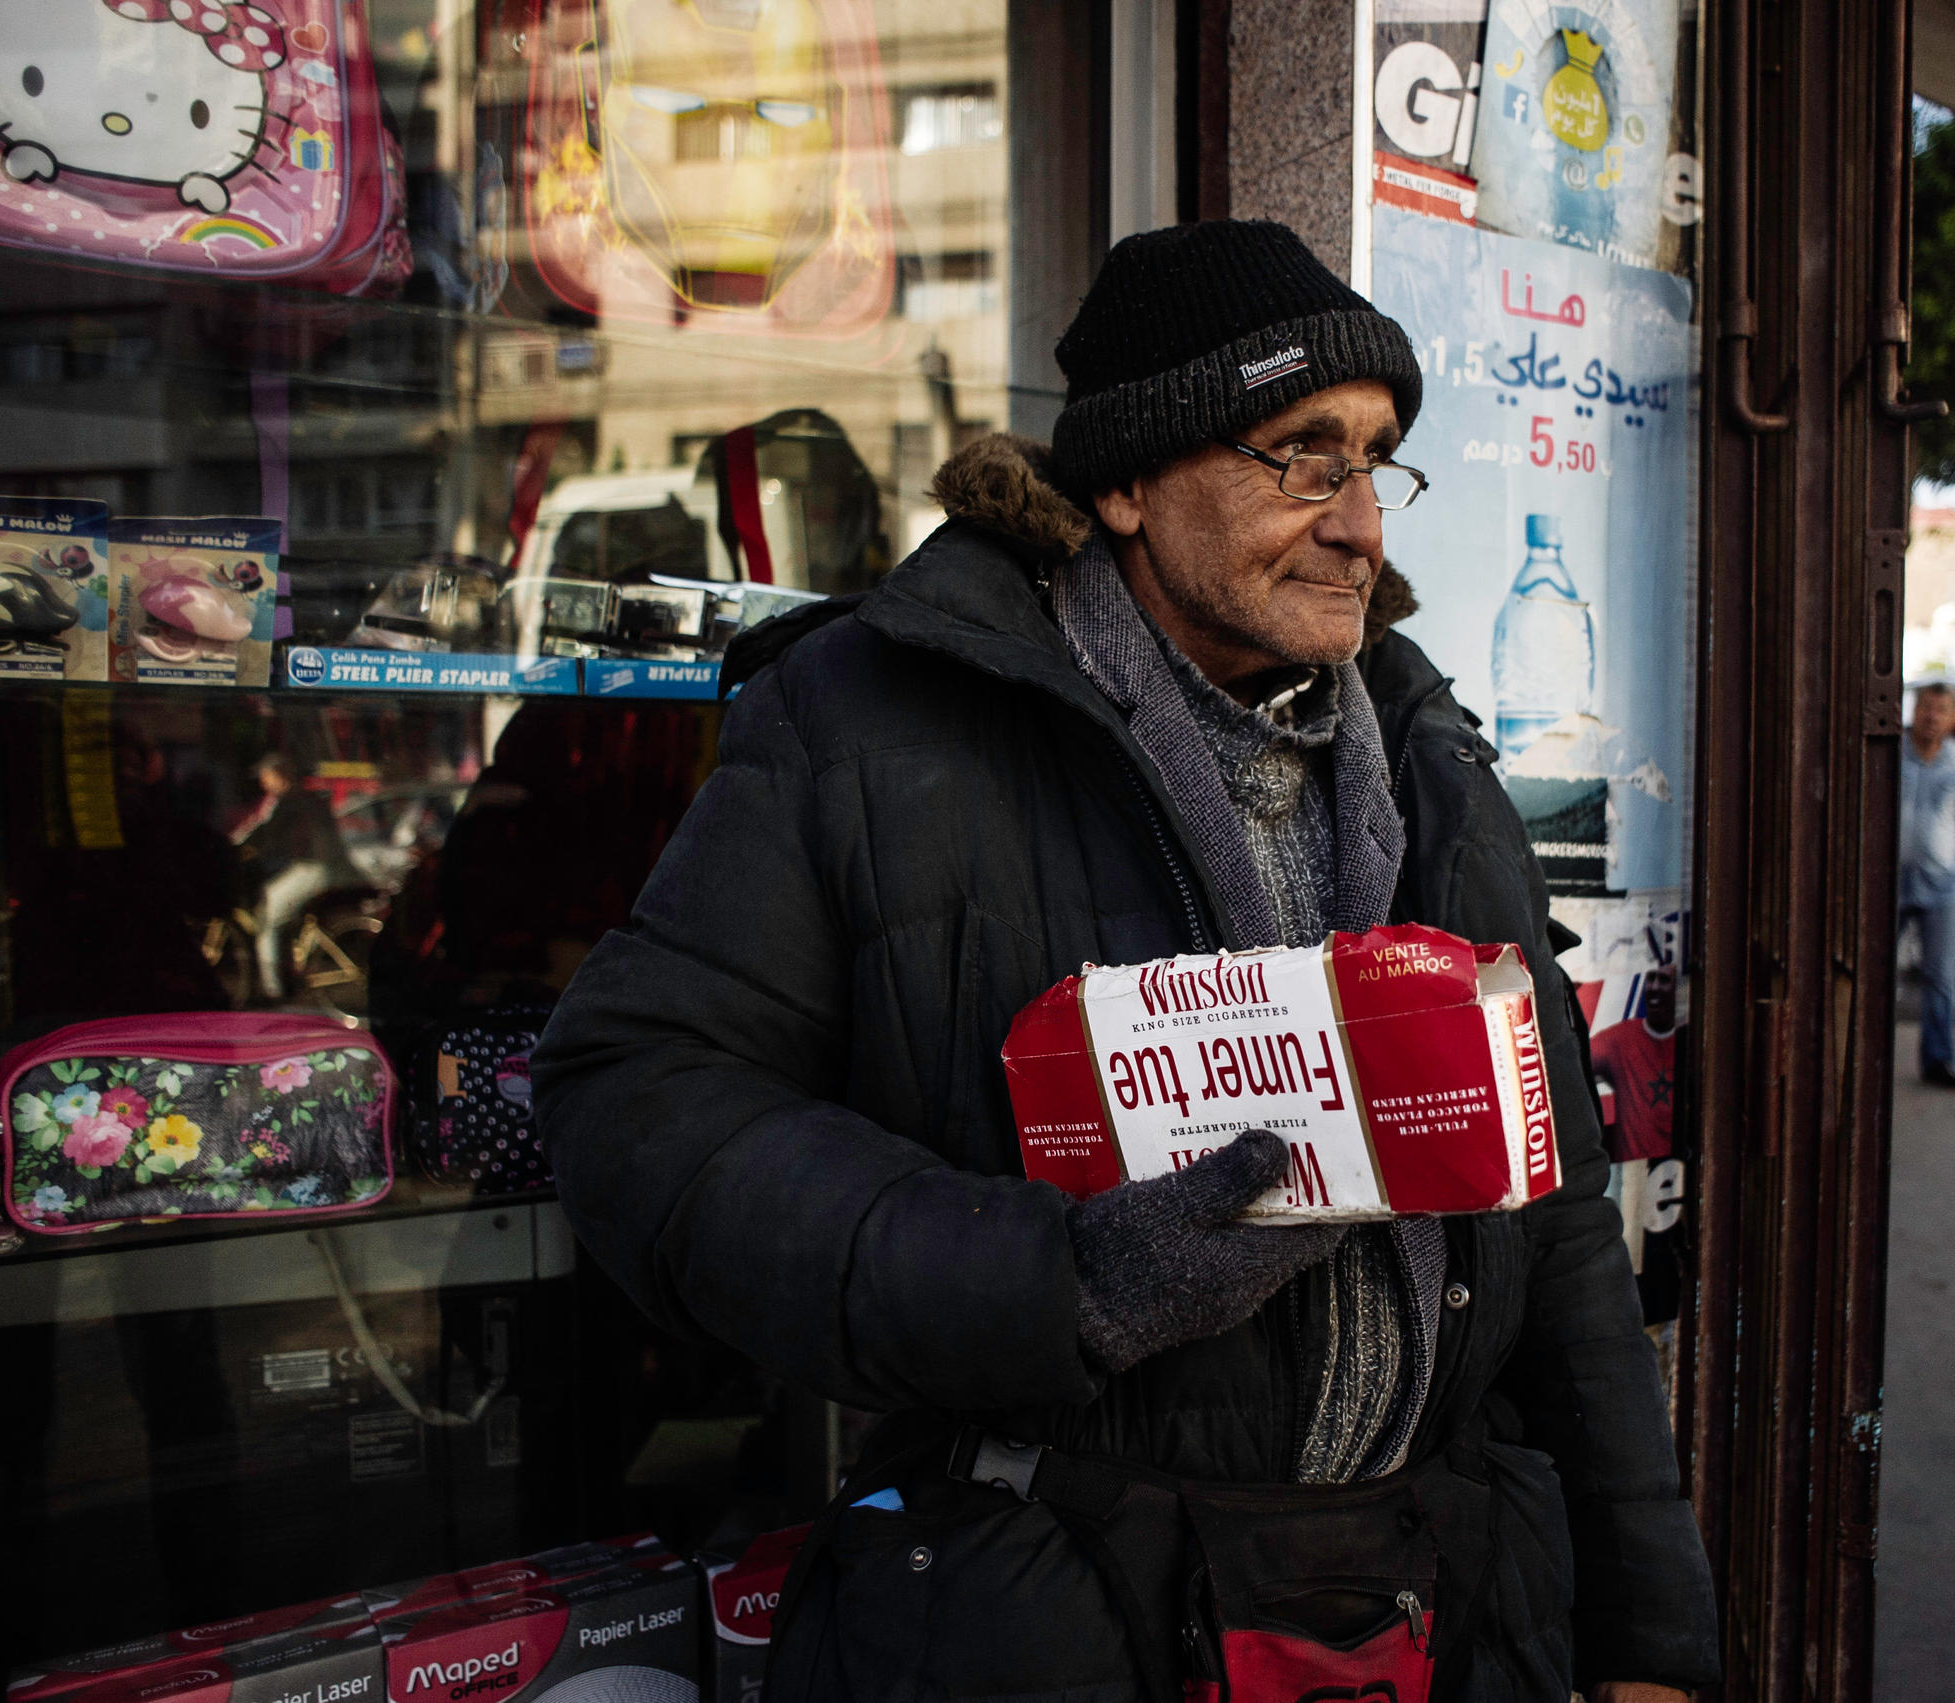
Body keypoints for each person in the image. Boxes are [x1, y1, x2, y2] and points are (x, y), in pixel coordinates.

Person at [535, 219, 1720, 1702]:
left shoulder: (1425, 753)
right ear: (1125, 483)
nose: (1363, 522)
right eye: (1304, 454)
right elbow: (635, 1099)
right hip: (1051, 1610)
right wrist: (1066, 1280)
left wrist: (1650, 1637)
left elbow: (1554, 1213)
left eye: (1377, 458)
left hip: (1435, 1601)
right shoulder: (872, 723)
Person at [1901, 682, 1955, 1087]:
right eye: (1925, 707)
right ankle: (1861, 1058)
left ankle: (1937, 1060)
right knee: (1872, 973)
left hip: (1941, 885)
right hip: (1889, 884)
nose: (1931, 716)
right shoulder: (1890, 752)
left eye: (1940, 709)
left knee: (1940, 976)